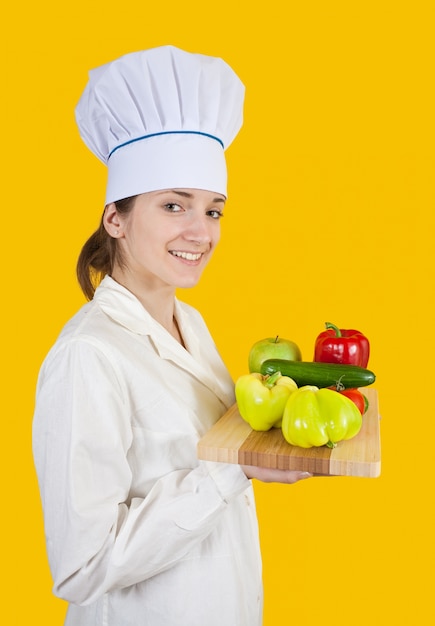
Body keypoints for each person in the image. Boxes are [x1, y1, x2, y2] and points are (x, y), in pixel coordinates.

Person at [32, 45, 312, 626]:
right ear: (116, 218)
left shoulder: (190, 322)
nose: (200, 231)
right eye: (173, 205)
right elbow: (81, 565)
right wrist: (232, 470)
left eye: (213, 210)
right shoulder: (89, 355)